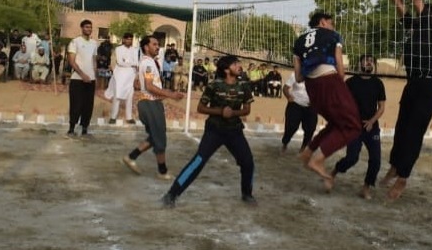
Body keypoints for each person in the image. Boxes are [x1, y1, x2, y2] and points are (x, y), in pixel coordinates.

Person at [374, 0, 432, 200]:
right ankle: (395, 166)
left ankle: (403, 178)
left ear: (431, 16)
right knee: (402, 129)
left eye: (424, 9)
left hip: (429, 86)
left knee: (413, 133)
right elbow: (398, 0)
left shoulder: (429, 26)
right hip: (413, 83)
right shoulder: (414, 26)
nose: (420, 9)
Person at [160, 55, 257, 208]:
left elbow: (246, 110)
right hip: (214, 130)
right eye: (236, 64)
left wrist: (232, 113)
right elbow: (201, 108)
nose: (240, 66)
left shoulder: (244, 86)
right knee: (198, 161)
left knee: (248, 163)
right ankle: (172, 194)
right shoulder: (214, 85)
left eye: (239, 63)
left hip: (234, 131)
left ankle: (247, 194)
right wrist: (220, 111)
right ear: (226, 69)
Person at [292, 10, 362, 191]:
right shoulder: (332, 35)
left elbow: (298, 77)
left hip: (311, 88)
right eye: (331, 23)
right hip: (329, 81)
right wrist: (340, 80)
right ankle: (318, 160)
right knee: (353, 126)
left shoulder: (299, 41)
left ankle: (308, 152)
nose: (333, 26)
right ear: (323, 22)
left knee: (336, 122)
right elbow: (338, 59)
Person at [121, 35, 184, 179]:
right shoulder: (148, 63)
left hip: (151, 102)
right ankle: (162, 171)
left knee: (155, 136)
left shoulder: (149, 62)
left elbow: (140, 84)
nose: (158, 47)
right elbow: (149, 86)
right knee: (160, 137)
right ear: (146, 47)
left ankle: (132, 157)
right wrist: (170, 94)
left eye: (158, 44)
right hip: (149, 103)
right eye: (154, 44)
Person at [331, 55, 386, 200]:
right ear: (360, 63)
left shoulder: (378, 83)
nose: (368, 62)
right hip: (353, 126)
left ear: (373, 65)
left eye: (371, 60)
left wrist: (372, 121)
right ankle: (335, 171)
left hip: (371, 127)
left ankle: (366, 187)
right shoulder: (351, 82)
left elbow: (381, 107)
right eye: (365, 60)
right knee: (352, 158)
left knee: (376, 160)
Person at [66, 20, 99, 139]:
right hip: (77, 79)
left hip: (91, 79)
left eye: (90, 27)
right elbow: (71, 61)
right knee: (76, 104)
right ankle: (71, 129)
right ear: (81, 28)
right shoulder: (75, 42)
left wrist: (95, 75)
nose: (89, 29)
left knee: (88, 105)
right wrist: (82, 74)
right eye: (86, 27)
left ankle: (85, 129)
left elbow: (94, 60)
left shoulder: (94, 43)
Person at [280, 71, 318, 154]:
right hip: (295, 104)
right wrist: (288, 96)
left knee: (310, 128)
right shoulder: (296, 74)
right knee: (291, 127)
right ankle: (285, 142)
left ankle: (303, 147)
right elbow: (285, 88)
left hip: (311, 107)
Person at [105, 33, 139, 124]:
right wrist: (132, 64)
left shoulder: (135, 50)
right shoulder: (118, 49)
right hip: (120, 74)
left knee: (130, 95)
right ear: (123, 40)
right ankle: (113, 117)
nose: (129, 41)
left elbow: (136, 62)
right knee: (117, 95)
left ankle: (129, 117)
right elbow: (120, 62)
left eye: (131, 39)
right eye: (127, 39)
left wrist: (130, 63)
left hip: (131, 74)